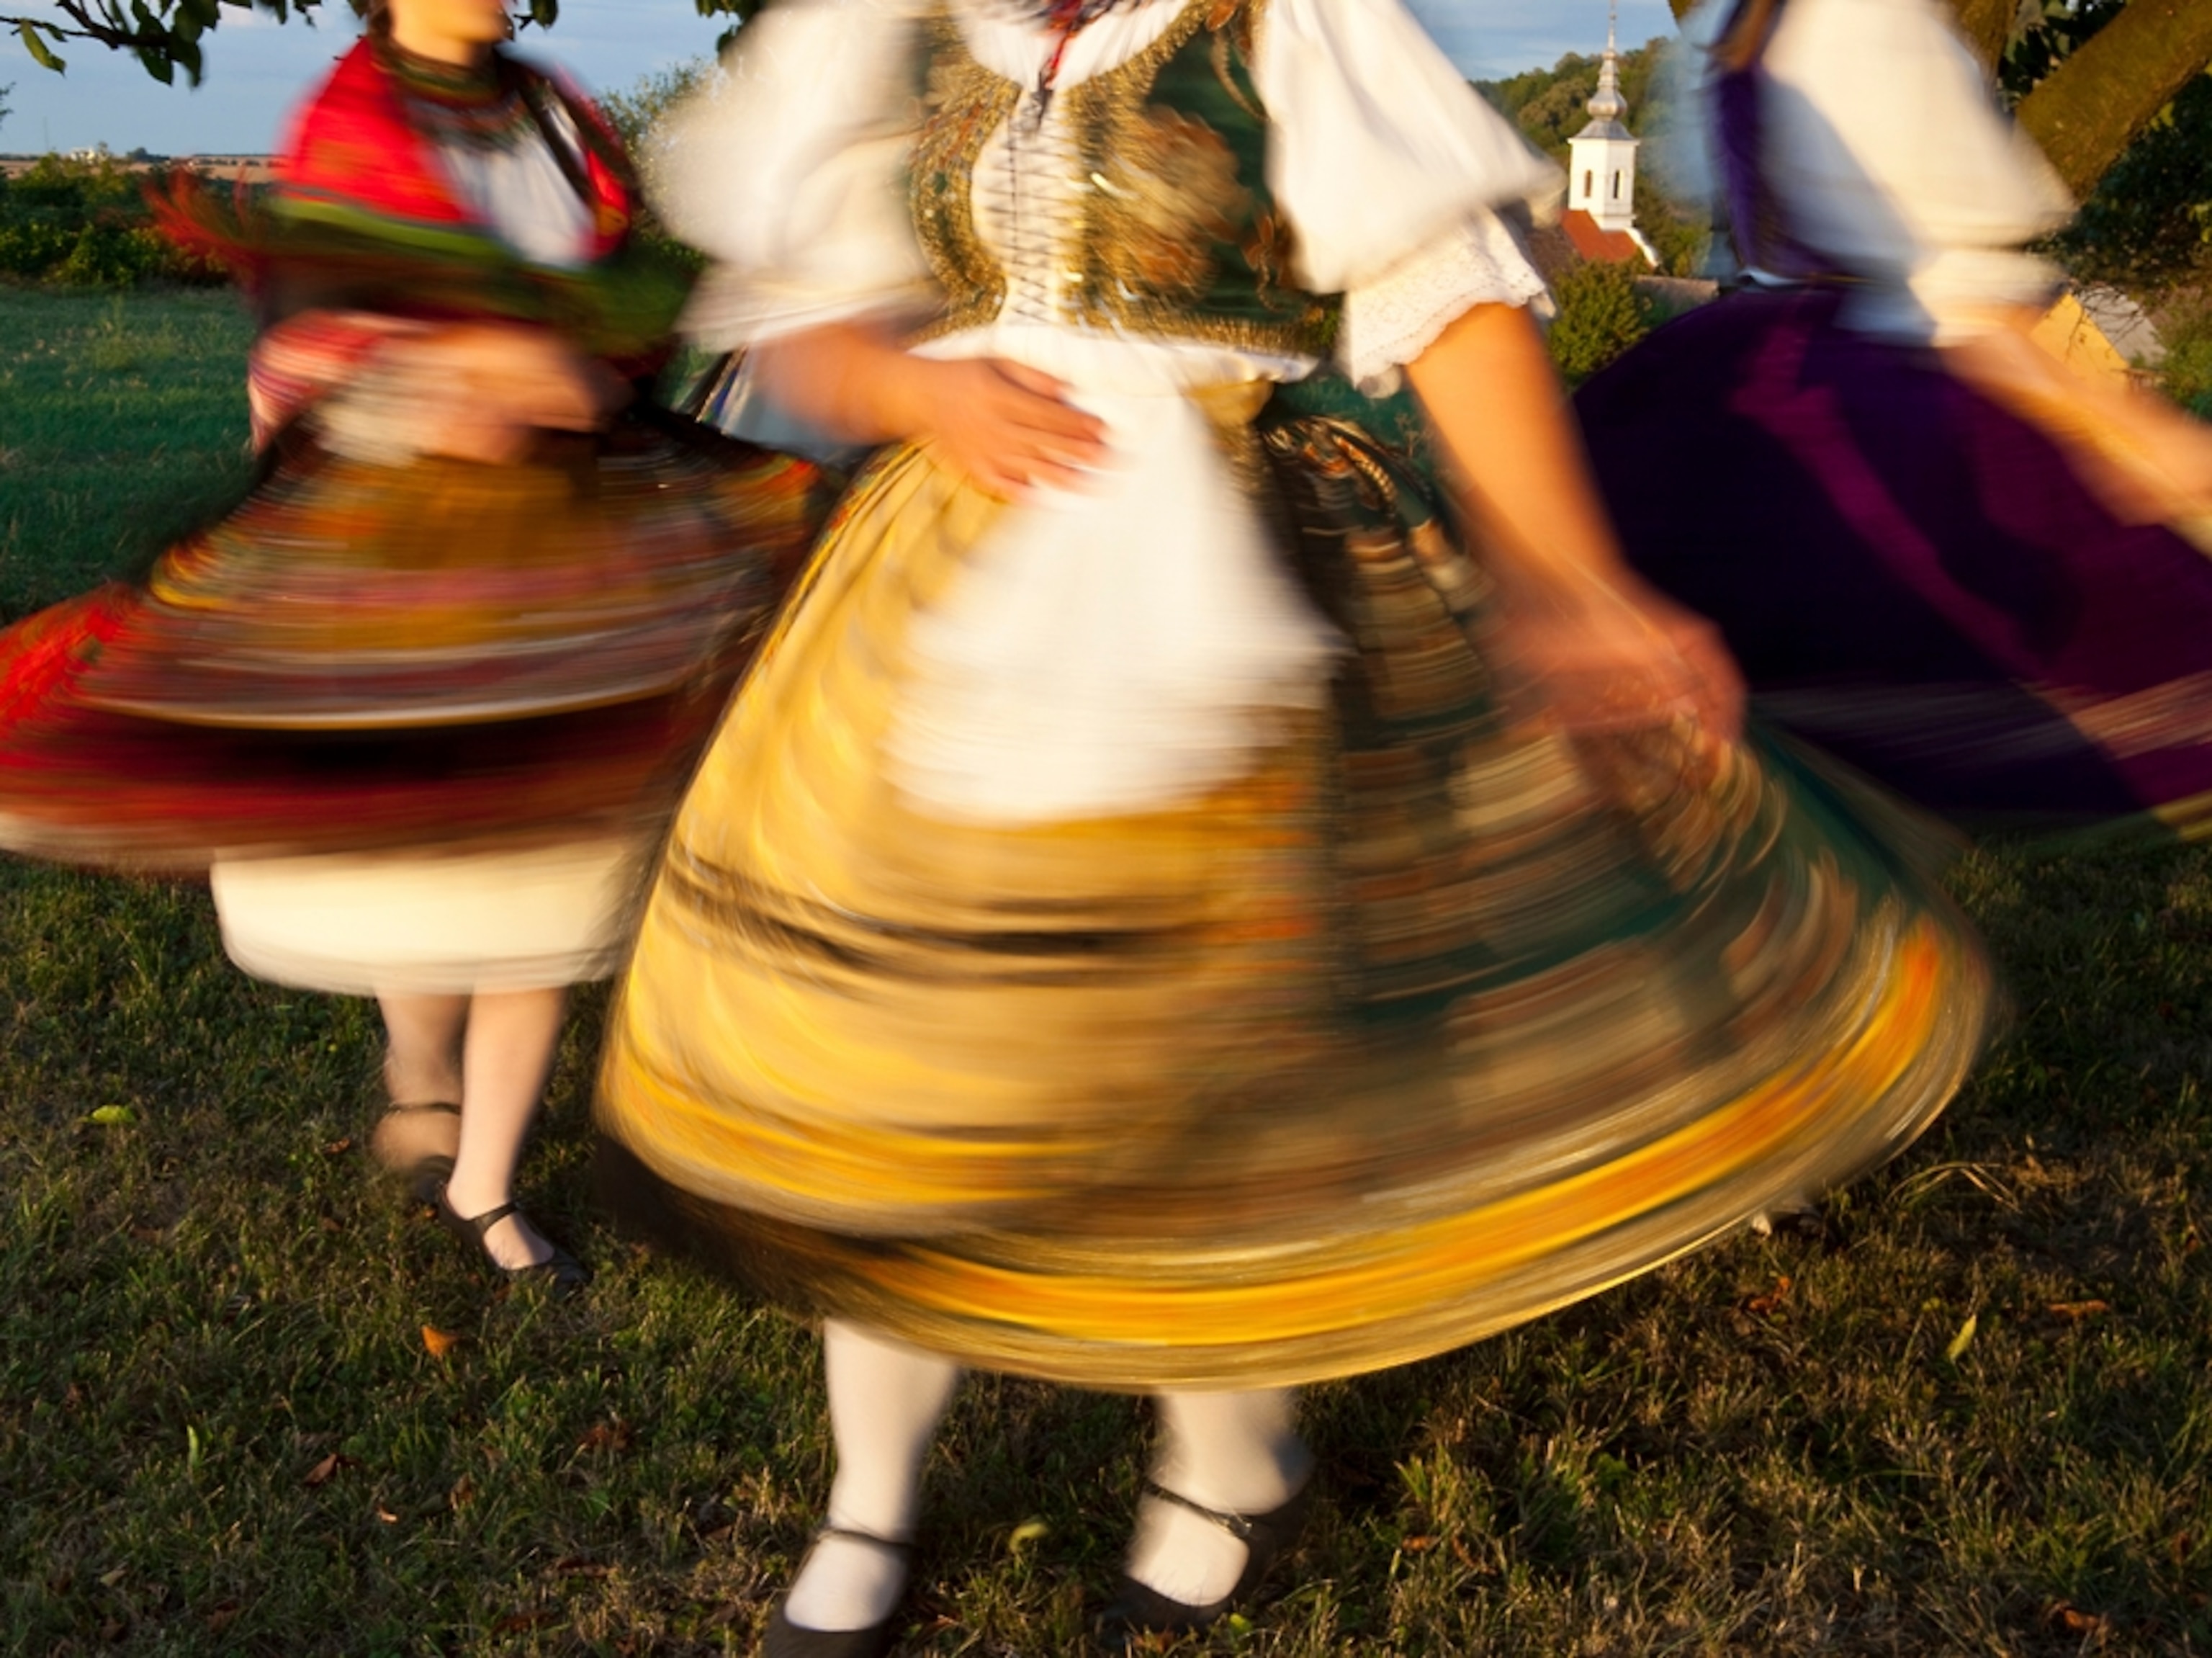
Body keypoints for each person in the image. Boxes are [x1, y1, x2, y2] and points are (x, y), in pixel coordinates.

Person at [593, 0, 1994, 1649]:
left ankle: (1221, 1447)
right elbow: (801, 314)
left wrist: (1567, 584)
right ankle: (869, 1489)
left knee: (1210, 1046)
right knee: (871, 1046)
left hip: (1234, 568)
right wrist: (916, 389)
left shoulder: (1281, 20)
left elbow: (1447, 299)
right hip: (943, 581)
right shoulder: (892, 33)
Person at [0, 0, 819, 1291]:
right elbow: (324, 322)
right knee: (419, 838)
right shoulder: (354, 126)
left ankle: (484, 1178)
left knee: (549, 879)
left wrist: (591, 359)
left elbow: (619, 291)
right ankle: (418, 1064)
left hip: (566, 539)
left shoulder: (552, 113)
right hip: (404, 539)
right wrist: (465, 375)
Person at [1575, 0, 2212, 838]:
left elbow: (1731, 217)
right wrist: (2126, 428)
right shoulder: (1871, 18)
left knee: (1747, 755)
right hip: (1882, 395)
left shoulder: (1726, 27)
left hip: (1732, 386)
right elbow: (1965, 295)